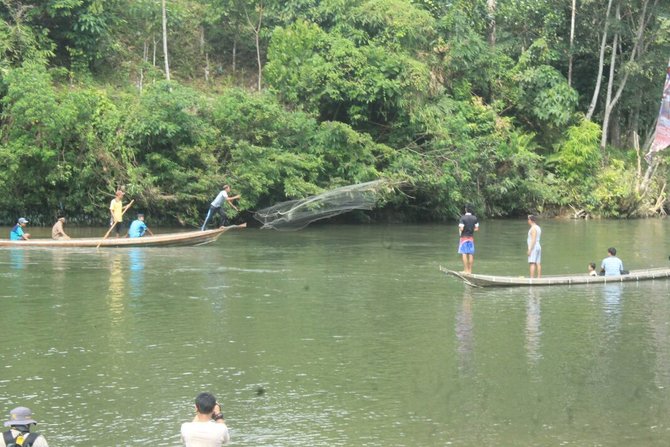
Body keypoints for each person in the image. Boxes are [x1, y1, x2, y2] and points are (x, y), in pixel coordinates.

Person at [457, 204, 479, 274]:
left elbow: (461, 228)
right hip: (471, 238)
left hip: (464, 238)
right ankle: (470, 271)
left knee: (464, 253)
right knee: (471, 254)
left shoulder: (462, 218)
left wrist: (460, 228)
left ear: (466, 209)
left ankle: (465, 270)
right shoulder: (475, 218)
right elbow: (476, 229)